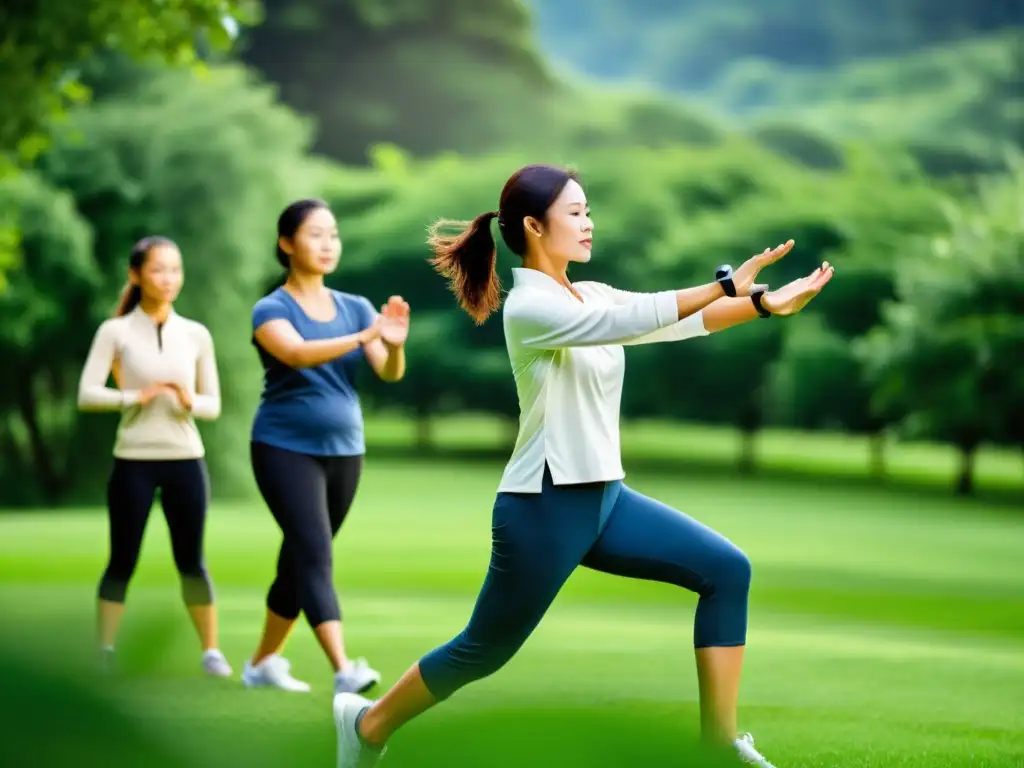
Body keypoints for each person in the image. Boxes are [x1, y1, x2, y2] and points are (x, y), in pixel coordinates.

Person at [333, 164, 835, 767]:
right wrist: (727, 287)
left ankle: (717, 744)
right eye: (575, 213)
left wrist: (764, 304)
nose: (588, 223)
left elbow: (677, 322)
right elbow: (639, 316)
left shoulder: (587, 294)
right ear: (533, 227)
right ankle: (367, 725)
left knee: (727, 570)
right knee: (483, 650)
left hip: (606, 499)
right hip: (544, 505)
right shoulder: (529, 308)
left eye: (587, 210)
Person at [241, 199, 411, 696]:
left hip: (345, 450)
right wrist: (365, 335)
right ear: (287, 243)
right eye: (316, 234)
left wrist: (394, 342)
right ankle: (344, 668)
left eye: (333, 234)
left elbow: (388, 371)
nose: (328, 243)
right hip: (282, 447)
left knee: (299, 558)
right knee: (315, 553)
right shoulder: (271, 308)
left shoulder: (356, 305)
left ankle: (262, 662)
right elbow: (294, 352)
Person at [77, 235, 231, 678]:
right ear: (136, 274)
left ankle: (211, 653)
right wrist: (134, 396)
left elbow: (212, 404)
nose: (168, 278)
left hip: (185, 459)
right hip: (133, 460)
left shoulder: (196, 334)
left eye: (175, 270)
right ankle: (104, 649)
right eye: (159, 269)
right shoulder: (116, 332)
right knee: (122, 558)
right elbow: (87, 394)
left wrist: (188, 403)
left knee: (192, 560)